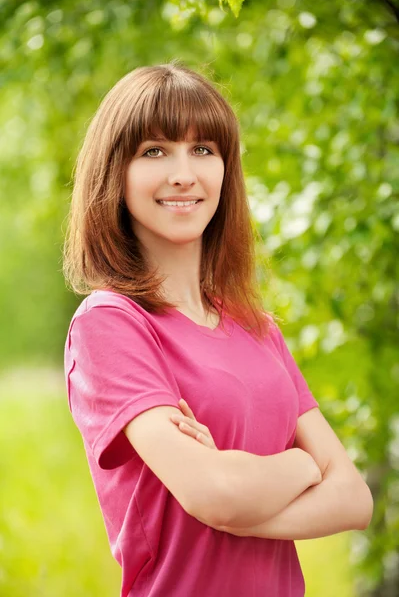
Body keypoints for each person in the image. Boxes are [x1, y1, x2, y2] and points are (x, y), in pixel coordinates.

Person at [63, 61, 373, 597]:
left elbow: (353, 499)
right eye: (154, 150)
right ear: (115, 172)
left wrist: (242, 498)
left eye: (204, 149)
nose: (184, 173)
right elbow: (216, 495)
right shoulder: (110, 325)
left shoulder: (257, 329)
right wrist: (301, 464)